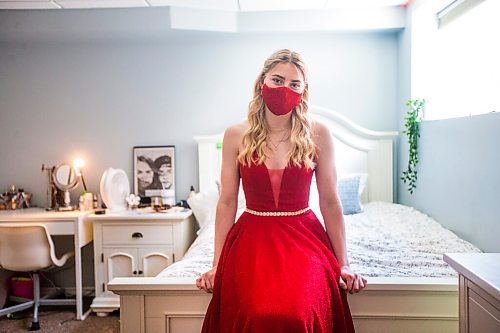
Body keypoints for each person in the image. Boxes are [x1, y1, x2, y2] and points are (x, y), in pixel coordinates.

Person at [196, 49, 366, 332]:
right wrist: (216, 264)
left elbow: (330, 203)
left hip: (305, 236)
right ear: (262, 82)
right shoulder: (236, 134)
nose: (284, 88)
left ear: (303, 91)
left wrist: (344, 263)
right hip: (252, 235)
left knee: (298, 313)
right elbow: (226, 202)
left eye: (294, 84)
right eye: (277, 80)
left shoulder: (318, 133)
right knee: (257, 312)